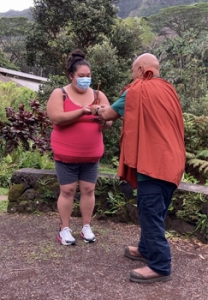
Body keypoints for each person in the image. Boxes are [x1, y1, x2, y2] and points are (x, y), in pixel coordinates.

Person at [91, 53, 186, 283]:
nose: (132, 77)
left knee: (150, 213)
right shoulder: (169, 90)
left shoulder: (137, 89)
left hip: (153, 163)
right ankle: (145, 249)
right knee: (154, 210)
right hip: (172, 161)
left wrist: (96, 109)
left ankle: (160, 266)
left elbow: (108, 114)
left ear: (142, 69)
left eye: (133, 71)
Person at [46, 49, 112, 246]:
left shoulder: (99, 95)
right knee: (67, 190)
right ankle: (64, 228)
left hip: (91, 156)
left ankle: (86, 226)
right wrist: (82, 112)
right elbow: (56, 118)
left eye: (88, 76)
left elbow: (108, 124)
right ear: (71, 76)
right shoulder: (60, 93)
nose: (86, 79)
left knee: (88, 189)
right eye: (81, 76)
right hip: (66, 156)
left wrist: (102, 116)